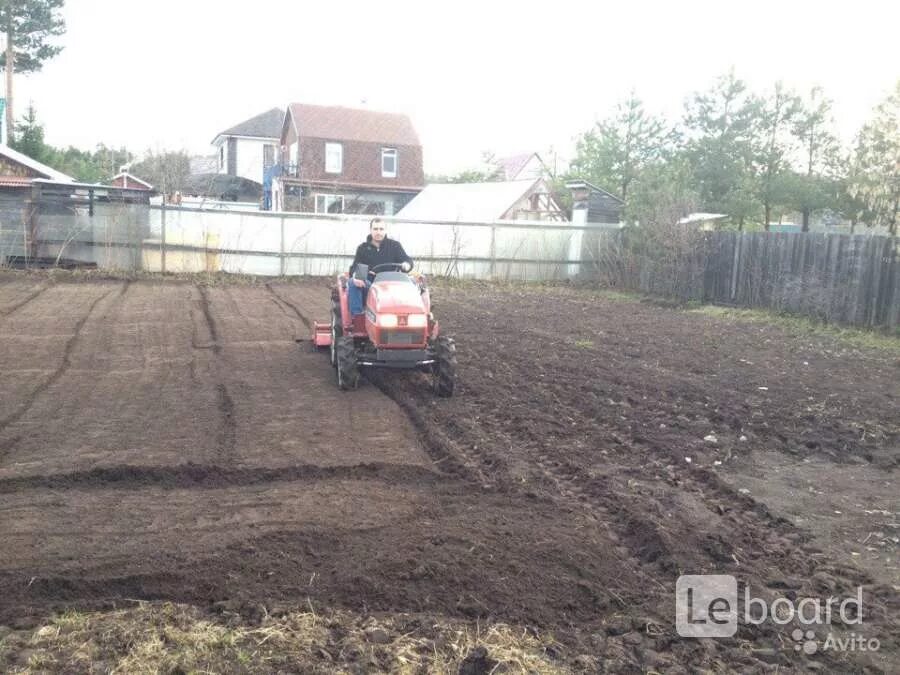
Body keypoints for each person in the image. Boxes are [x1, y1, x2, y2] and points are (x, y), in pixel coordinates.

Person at [348, 218, 413, 315]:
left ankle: (411, 314)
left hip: (392, 287)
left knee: (414, 284)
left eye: (381, 229)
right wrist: (357, 276)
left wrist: (407, 265)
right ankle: (357, 319)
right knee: (353, 283)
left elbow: (407, 260)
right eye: (375, 229)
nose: (378, 232)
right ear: (371, 230)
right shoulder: (363, 248)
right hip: (371, 286)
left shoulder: (395, 246)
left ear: (385, 230)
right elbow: (354, 268)